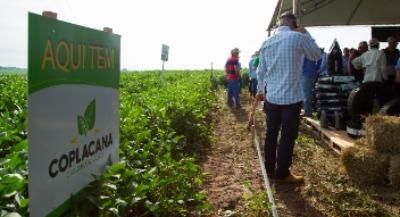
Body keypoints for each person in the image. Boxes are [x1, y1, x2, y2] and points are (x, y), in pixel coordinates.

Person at [256, 11, 321, 183]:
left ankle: (269, 169)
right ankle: (282, 173)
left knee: (271, 133)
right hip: (292, 97)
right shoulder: (298, 38)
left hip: (273, 96)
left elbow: (260, 71)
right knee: (287, 135)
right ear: (294, 25)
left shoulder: (267, 42)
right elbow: (316, 55)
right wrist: (305, 33)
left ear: (279, 25)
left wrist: (259, 91)